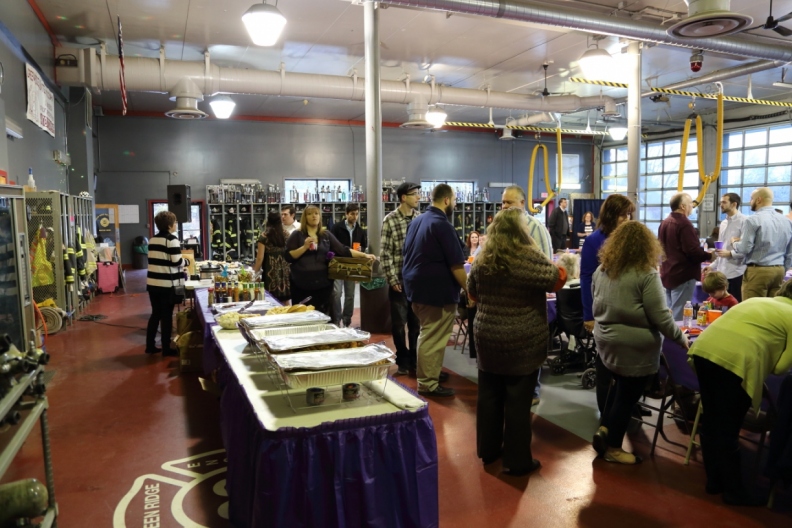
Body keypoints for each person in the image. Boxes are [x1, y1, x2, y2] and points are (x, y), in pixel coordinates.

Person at [467, 208, 566, 475]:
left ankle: (488, 451)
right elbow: (556, 280)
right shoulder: (528, 255)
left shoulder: (482, 256)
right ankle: (517, 461)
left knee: (489, 397)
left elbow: (472, 292)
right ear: (521, 229)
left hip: (488, 336)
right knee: (518, 402)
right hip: (522, 340)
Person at [592, 221, 689, 465]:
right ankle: (614, 448)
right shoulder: (646, 274)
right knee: (627, 397)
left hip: (605, 340)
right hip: (633, 346)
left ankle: (605, 430)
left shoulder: (601, 270)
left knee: (617, 390)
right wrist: (681, 338)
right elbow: (661, 317)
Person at [687, 280, 792, 506]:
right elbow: (781, 368)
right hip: (736, 363)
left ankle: (714, 481)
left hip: (703, 351)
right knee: (728, 429)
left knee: (711, 420)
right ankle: (734, 491)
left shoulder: (756, 300)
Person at [403, 184, 468, 397]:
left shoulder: (416, 221)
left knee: (428, 333)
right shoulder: (442, 225)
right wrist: (470, 290)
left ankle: (431, 372)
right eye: (455, 200)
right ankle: (427, 383)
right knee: (433, 337)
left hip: (415, 288)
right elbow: (457, 265)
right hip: (436, 292)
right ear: (447, 200)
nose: (455, 204)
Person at [580, 194, 635, 412]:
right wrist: (588, 315)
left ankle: (628, 407)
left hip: (629, 309)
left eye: (629, 214)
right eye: (623, 215)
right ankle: (605, 411)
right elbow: (586, 278)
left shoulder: (631, 238)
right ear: (611, 215)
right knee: (605, 364)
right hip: (604, 310)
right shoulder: (594, 240)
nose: (627, 219)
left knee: (629, 366)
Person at [501, 185, 553, 405]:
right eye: (503, 202)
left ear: (522, 204)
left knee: (529, 349)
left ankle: (532, 392)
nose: (505, 206)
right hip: (505, 303)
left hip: (529, 301)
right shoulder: (499, 228)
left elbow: (546, 266)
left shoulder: (535, 228)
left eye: (509, 202)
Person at [285, 205, 375, 317]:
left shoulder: (326, 235)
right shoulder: (297, 235)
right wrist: (304, 247)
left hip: (323, 286)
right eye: (310, 214)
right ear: (305, 217)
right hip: (301, 286)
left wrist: (364, 255)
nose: (314, 216)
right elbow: (288, 256)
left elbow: (343, 250)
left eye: (316, 213)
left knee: (324, 317)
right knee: (302, 317)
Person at [381, 182, 422, 376]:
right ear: (404, 197)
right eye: (414, 194)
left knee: (416, 323)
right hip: (399, 281)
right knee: (399, 324)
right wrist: (392, 278)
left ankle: (414, 359)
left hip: (417, 282)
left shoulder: (420, 219)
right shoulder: (390, 220)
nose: (418, 197)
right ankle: (403, 359)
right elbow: (385, 252)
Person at [658, 192, 714, 321]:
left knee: (669, 312)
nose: (692, 207)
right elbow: (692, 251)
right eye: (690, 204)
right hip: (683, 274)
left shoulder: (664, 222)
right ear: (682, 206)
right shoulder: (684, 224)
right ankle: (675, 335)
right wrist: (709, 256)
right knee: (678, 314)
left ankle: (666, 334)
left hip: (668, 273)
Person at [731, 187, 792, 300]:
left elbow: (745, 248)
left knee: (752, 307)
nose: (750, 201)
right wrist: (784, 270)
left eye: (751, 198)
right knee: (772, 307)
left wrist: (734, 243)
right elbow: (789, 252)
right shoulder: (787, 221)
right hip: (779, 271)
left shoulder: (752, 220)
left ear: (758, 200)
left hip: (758, 271)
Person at [146, 210, 186, 357]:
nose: (176, 224)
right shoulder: (172, 240)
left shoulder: (152, 240)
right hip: (166, 285)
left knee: (155, 314)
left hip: (152, 283)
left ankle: (150, 346)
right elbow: (176, 261)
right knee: (167, 316)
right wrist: (186, 261)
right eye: (175, 222)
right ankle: (166, 348)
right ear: (169, 225)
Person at [330, 203, 367, 327]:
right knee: (336, 293)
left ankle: (347, 319)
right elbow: (331, 244)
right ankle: (336, 318)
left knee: (350, 294)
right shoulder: (336, 228)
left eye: (356, 214)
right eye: (352, 214)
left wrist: (362, 249)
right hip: (338, 262)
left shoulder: (360, 230)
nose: (355, 216)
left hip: (352, 264)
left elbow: (364, 245)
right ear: (346, 214)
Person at [704, 193, 746, 302]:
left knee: (736, 305)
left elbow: (746, 249)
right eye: (720, 202)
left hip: (736, 273)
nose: (721, 205)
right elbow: (721, 251)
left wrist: (730, 253)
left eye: (724, 202)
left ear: (734, 204)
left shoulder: (744, 222)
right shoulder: (723, 223)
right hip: (722, 274)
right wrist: (712, 266)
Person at [253, 212, 291, 303]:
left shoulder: (264, 236)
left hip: (270, 272)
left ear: (268, 220)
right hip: (285, 271)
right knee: (286, 299)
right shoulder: (286, 234)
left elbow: (260, 258)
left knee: (271, 301)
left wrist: (255, 273)